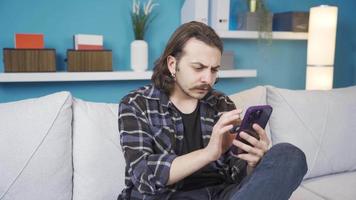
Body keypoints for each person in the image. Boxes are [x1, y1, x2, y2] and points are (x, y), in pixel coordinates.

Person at [118, 21, 307, 200]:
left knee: (290, 155)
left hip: (221, 194)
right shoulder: (136, 104)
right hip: (165, 196)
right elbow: (143, 174)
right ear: (172, 65)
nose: (207, 79)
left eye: (214, 70)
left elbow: (236, 174)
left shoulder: (221, 103)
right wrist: (209, 153)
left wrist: (252, 164)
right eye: (198, 68)